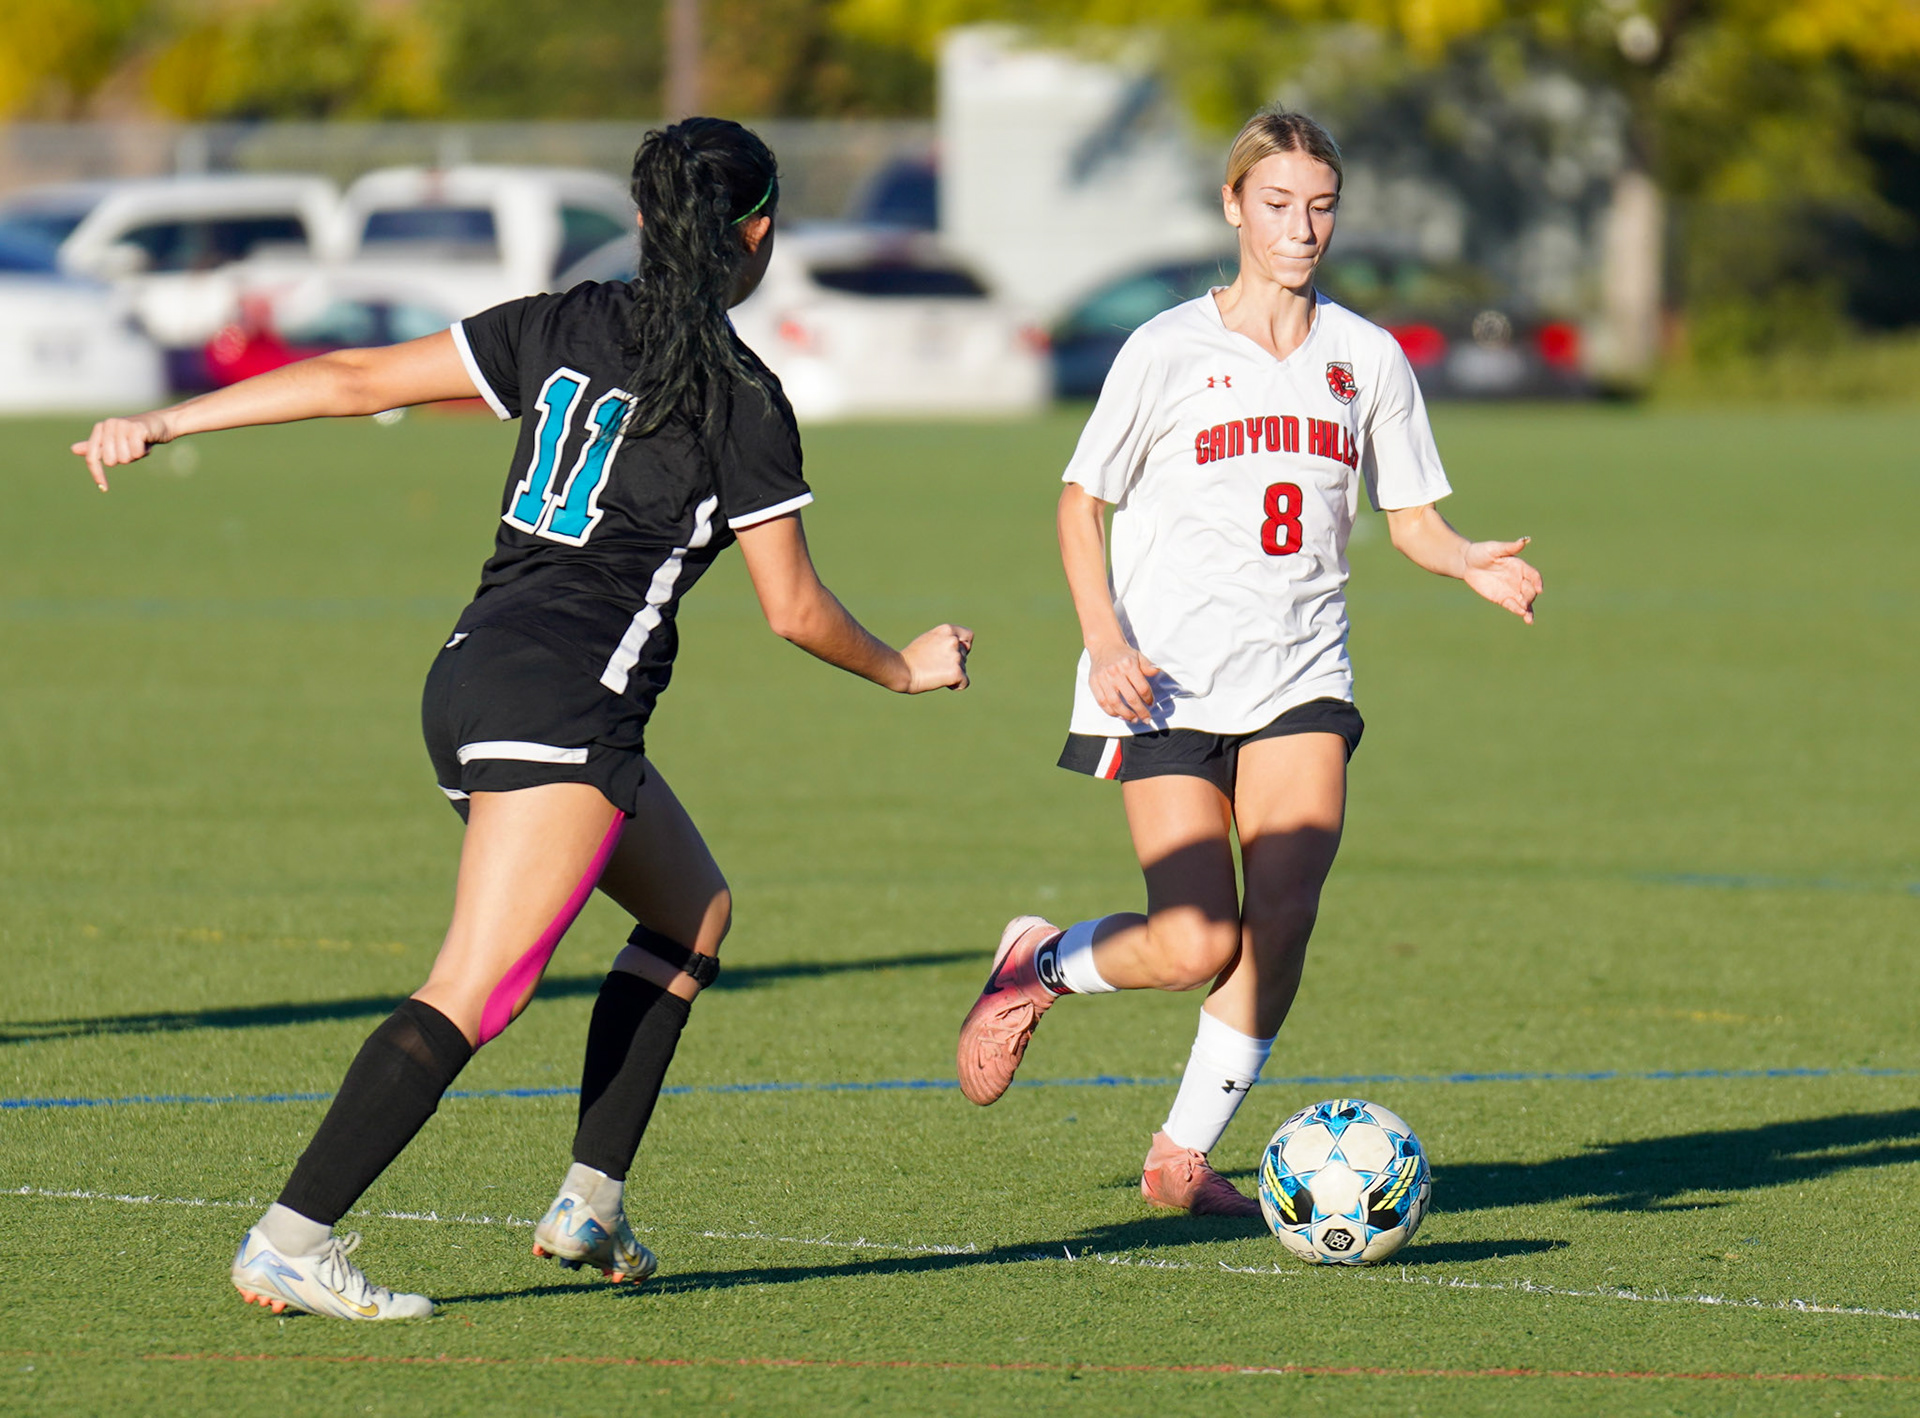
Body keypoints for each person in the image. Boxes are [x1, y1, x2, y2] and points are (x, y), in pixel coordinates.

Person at [72, 118, 973, 1319]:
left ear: (649, 223)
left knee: (691, 911)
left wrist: (170, 419)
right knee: (475, 988)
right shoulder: (743, 397)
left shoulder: (564, 322)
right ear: (756, 236)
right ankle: (292, 1238)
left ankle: (589, 1200)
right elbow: (796, 610)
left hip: (472, 677)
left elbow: (351, 381)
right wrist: (905, 669)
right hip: (565, 709)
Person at [954, 108, 1541, 1216]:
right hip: (1162, 678)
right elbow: (1081, 504)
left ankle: (1182, 1150)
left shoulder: (1367, 358)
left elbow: (1409, 514)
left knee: (1285, 906)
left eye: (1321, 205)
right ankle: (1036, 964)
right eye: (1278, 204)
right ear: (1234, 207)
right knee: (1191, 940)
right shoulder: (1167, 348)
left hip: (1302, 678)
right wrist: (1104, 636)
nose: (1302, 226)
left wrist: (1466, 561)